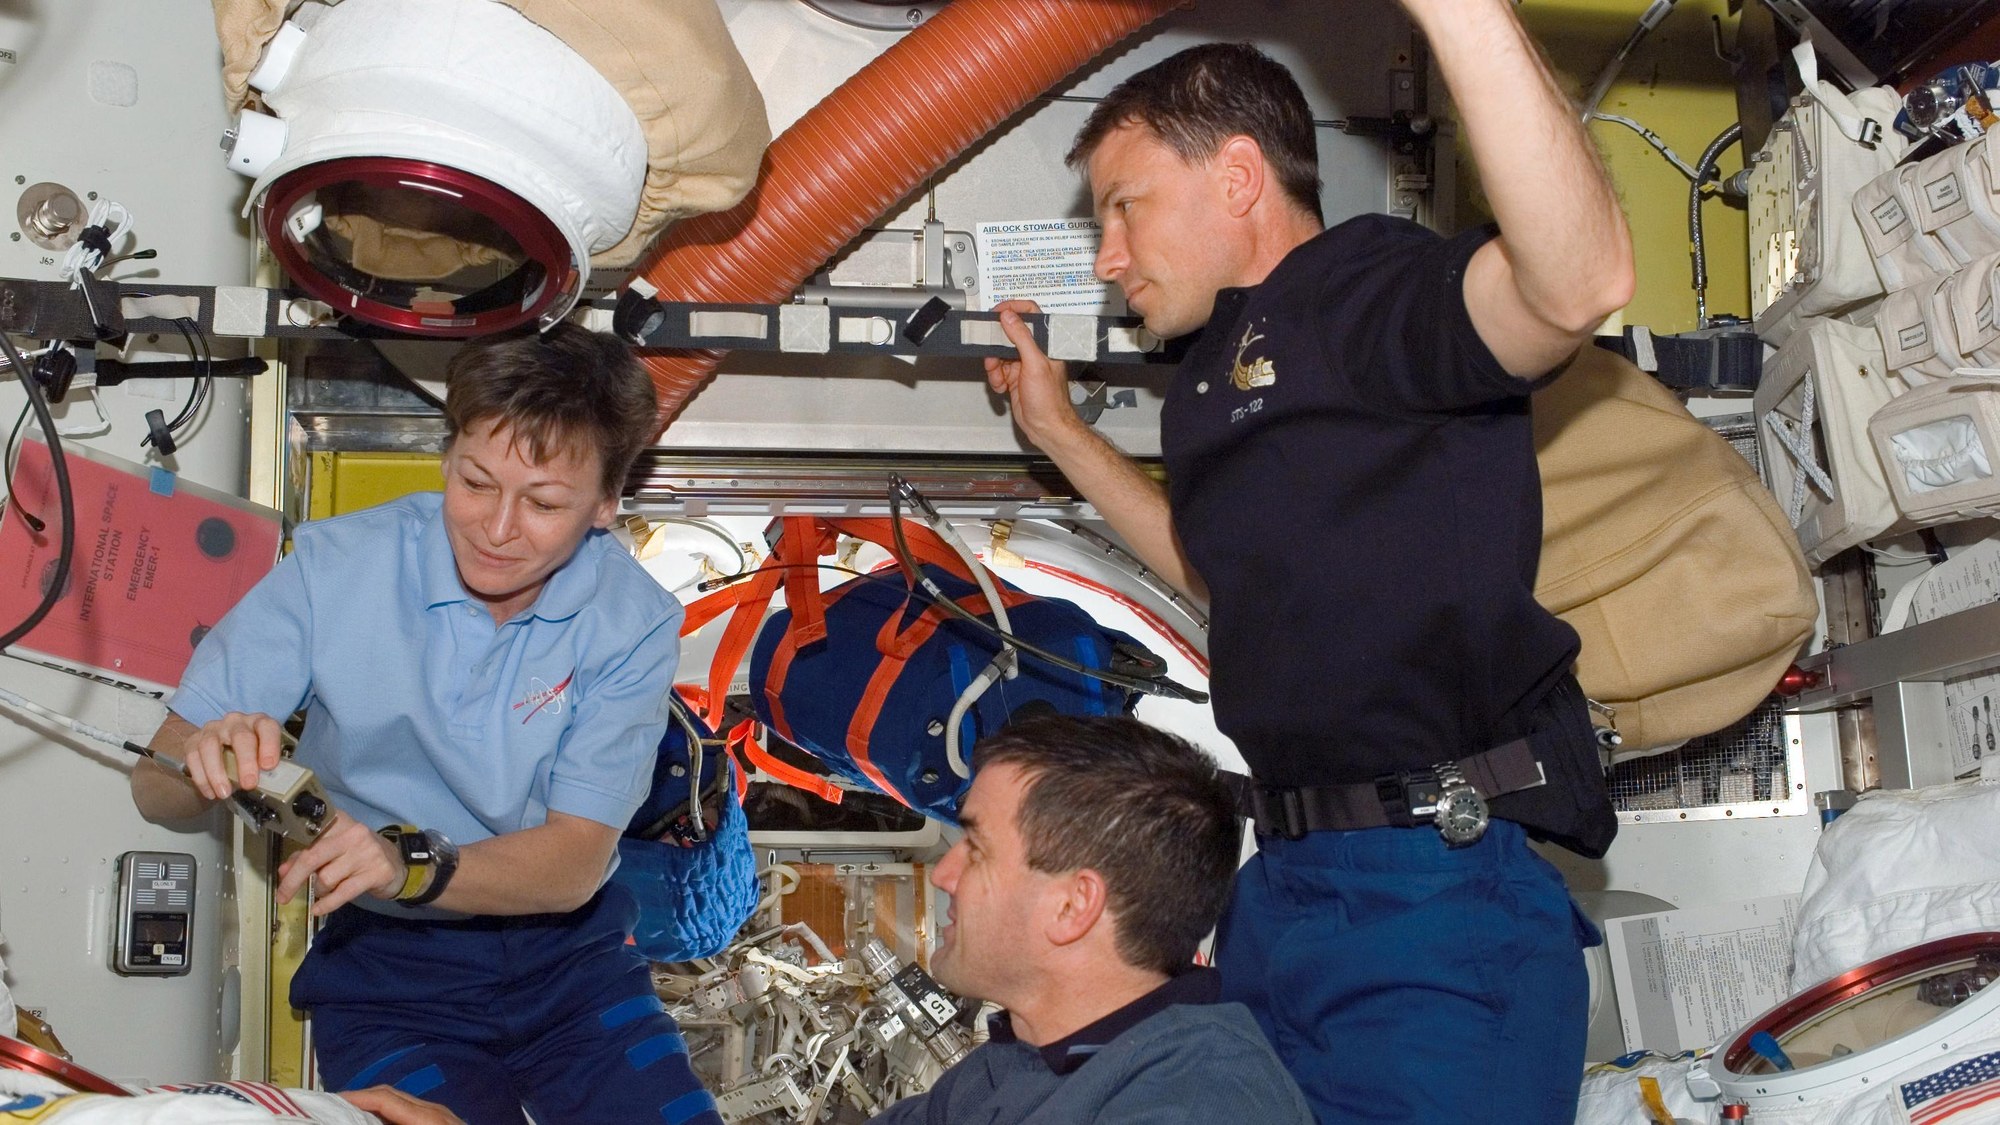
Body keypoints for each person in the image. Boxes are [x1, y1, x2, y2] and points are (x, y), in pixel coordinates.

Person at [981, 8, 1634, 1122]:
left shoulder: (1368, 289)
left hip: (1428, 898)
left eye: (1125, 207)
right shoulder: (1210, 383)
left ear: (1238, 177)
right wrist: (1061, 438)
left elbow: (1571, 285)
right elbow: (1221, 580)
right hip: (1282, 892)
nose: (1107, 257)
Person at [128, 326, 721, 1125]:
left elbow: (575, 862)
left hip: (572, 964)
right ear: (446, 455)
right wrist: (203, 762)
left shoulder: (633, 622)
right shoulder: (335, 570)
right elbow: (153, 786)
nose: (498, 528)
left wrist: (404, 861)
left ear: (606, 505)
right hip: (386, 976)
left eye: (545, 503)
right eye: (476, 482)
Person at [870, 715, 1313, 1124]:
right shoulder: (1019, 1057)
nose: (944, 875)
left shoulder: (1200, 1101)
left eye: (977, 850)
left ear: (1072, 906)